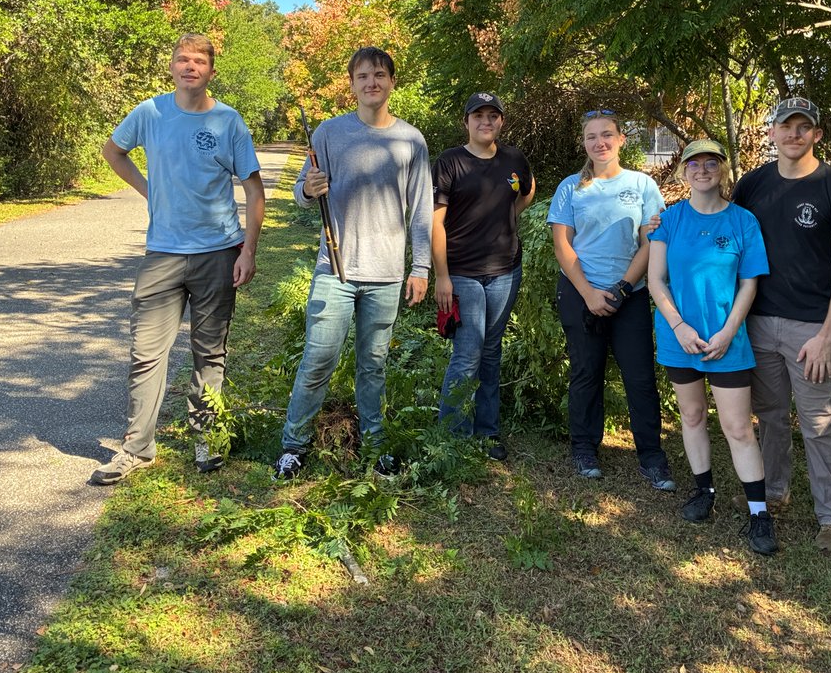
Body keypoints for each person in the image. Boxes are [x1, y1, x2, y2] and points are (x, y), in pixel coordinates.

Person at [90, 33, 265, 486]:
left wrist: (248, 250)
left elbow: (254, 190)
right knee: (146, 352)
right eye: (183, 59)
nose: (190, 67)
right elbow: (113, 152)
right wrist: (149, 191)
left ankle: (207, 440)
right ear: (171, 67)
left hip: (218, 252)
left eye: (199, 61)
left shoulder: (228, 121)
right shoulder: (150, 113)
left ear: (211, 71)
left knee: (210, 352)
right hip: (163, 254)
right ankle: (136, 448)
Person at [274, 47, 433, 479]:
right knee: (318, 360)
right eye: (362, 76)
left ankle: (374, 445)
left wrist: (421, 268)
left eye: (379, 75)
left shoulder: (411, 140)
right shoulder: (328, 133)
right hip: (335, 270)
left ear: (392, 82)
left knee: (373, 365)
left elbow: (421, 209)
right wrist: (309, 190)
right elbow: (301, 195)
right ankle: (293, 446)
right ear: (352, 84)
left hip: (387, 275)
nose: (371, 83)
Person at [732, 97, 831, 553]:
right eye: (785, 126)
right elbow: (721, 231)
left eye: (803, 127)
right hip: (758, 323)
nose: (793, 134)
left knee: (819, 423)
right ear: (771, 132)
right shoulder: (753, 185)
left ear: (816, 134)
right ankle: (775, 492)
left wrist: (826, 337)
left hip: (811, 328)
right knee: (769, 416)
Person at [647, 139, 777, 554]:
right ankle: (704, 491)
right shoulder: (669, 220)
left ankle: (759, 514)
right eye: (694, 164)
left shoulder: (743, 221)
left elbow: (749, 283)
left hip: (727, 341)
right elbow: (655, 280)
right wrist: (680, 326)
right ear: (683, 171)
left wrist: (728, 331)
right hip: (679, 339)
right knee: (692, 415)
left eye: (710, 163)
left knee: (738, 428)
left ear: (722, 170)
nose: (702, 170)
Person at [547, 110, 674, 488]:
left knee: (640, 377)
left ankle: (651, 455)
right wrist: (589, 293)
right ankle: (584, 448)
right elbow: (562, 245)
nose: (599, 142)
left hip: (629, 296)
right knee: (586, 373)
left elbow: (651, 242)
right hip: (580, 294)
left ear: (621, 139)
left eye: (606, 135)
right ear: (584, 143)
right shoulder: (570, 187)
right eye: (591, 136)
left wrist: (623, 287)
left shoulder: (643, 184)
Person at [432, 92, 535, 460]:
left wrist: (509, 216)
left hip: (506, 270)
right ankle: (453, 437)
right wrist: (441, 276)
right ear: (466, 121)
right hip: (462, 272)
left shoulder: (513, 159)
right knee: (467, 354)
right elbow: (436, 223)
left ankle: (487, 432)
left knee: (491, 351)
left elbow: (527, 191)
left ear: (501, 121)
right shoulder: (450, 162)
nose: (486, 122)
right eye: (478, 115)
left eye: (493, 115)